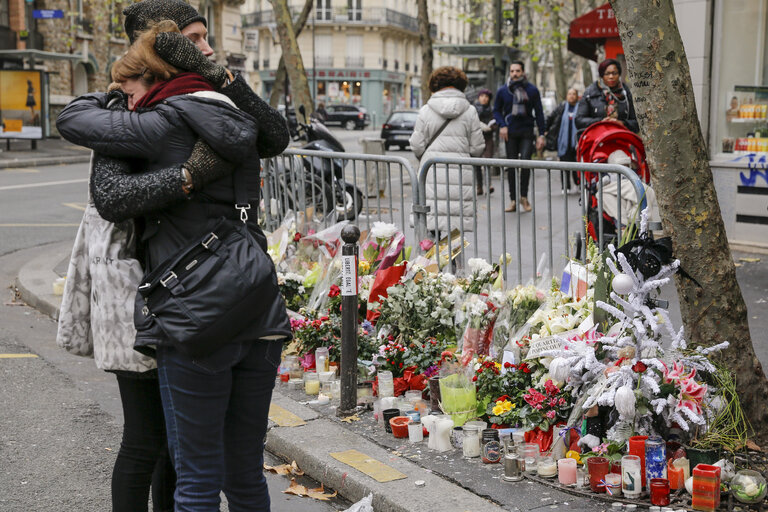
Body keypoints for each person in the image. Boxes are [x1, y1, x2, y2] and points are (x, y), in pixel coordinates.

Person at [57, 19, 291, 512]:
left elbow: (74, 123)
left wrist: (114, 104)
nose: (125, 96)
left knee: (197, 478)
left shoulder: (159, 123)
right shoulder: (237, 118)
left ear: (155, 78)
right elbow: (275, 131)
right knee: (244, 472)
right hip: (259, 305)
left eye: (129, 86)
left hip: (193, 315)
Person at [409, 66, 485, 236]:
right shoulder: (470, 111)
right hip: (460, 174)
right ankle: (456, 263)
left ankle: (428, 261)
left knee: (429, 231)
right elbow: (478, 147)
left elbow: (416, 145)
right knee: (455, 235)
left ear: (435, 85)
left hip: (430, 174)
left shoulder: (426, 111)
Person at [493, 61, 546, 213]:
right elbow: (496, 110)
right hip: (510, 132)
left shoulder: (532, 90)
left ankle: (523, 196)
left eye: (517, 71)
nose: (514, 74)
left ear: (523, 72)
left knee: (525, 163)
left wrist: (541, 134)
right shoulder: (503, 91)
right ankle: (513, 200)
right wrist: (502, 124)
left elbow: (539, 113)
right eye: (512, 71)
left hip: (527, 132)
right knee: (511, 166)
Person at [575, 58, 639, 136]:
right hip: (597, 139)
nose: (611, 76)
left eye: (614, 73)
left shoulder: (626, 93)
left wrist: (622, 123)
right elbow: (579, 121)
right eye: (607, 73)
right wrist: (600, 122)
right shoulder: (590, 93)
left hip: (622, 140)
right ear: (602, 75)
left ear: (619, 74)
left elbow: (636, 123)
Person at [545, 87, 580, 194]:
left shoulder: (580, 108)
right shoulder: (561, 107)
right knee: (564, 166)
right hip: (563, 142)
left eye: (573, 94)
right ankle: (565, 187)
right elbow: (550, 118)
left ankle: (577, 184)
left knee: (576, 166)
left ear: (577, 96)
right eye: (569, 94)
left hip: (576, 143)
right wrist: (545, 131)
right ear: (566, 96)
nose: (571, 96)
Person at [473, 88, 495, 195]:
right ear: (479, 97)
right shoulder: (473, 110)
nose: (484, 98)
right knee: (477, 163)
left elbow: (496, 123)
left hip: (488, 139)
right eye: (482, 96)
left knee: (487, 162)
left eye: (486, 96)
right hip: (476, 138)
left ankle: (488, 185)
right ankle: (479, 186)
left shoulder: (492, 110)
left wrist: (491, 127)